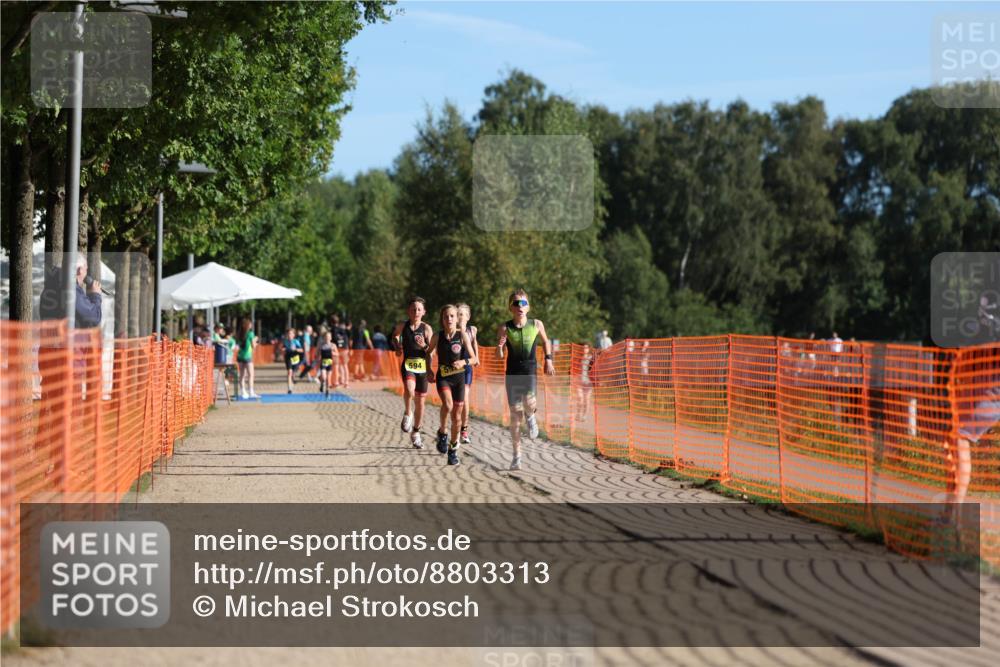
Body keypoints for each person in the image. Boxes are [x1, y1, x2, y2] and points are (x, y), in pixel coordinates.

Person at [497, 289, 556, 470]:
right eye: (516, 303)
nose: (520, 307)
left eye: (523, 303)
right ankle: (517, 456)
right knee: (515, 417)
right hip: (512, 373)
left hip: (529, 370)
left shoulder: (536, 324)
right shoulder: (504, 327)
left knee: (530, 403)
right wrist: (500, 347)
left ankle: (531, 416)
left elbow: (546, 341)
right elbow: (499, 355)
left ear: (528, 307)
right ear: (511, 308)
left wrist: (548, 360)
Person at [427, 305, 478, 466]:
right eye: (445, 317)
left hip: (459, 379)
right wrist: (428, 369)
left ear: (457, 319)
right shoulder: (437, 336)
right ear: (442, 320)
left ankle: (453, 449)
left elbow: (475, 359)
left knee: (457, 416)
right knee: (447, 405)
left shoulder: (462, 335)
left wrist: (463, 361)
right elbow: (429, 352)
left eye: (452, 316)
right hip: (444, 377)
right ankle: (442, 432)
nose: (448, 319)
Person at [392, 297, 433, 449]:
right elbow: (395, 336)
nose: (416, 312)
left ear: (424, 312)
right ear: (408, 311)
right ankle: (408, 413)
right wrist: (397, 346)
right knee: (409, 389)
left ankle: (416, 432)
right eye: (413, 309)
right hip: (409, 364)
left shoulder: (427, 329)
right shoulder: (403, 326)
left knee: (421, 403)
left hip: (422, 367)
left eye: (419, 309)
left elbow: (432, 351)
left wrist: (425, 347)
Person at [456, 303, 479, 445]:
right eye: (456, 314)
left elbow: (475, 342)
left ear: (468, 317)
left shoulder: (473, 330)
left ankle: (464, 430)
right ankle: (453, 428)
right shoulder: (452, 331)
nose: (459, 317)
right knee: (453, 402)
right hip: (454, 369)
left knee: (464, 397)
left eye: (462, 314)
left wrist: (477, 357)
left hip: (467, 368)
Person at [236, 317, 258, 400]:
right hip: (248, 356)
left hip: (240, 356)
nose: (251, 325)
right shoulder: (250, 333)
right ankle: (251, 392)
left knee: (242, 375)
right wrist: (256, 340)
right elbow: (253, 346)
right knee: (251, 375)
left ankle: (243, 391)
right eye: (250, 324)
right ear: (247, 325)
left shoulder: (239, 333)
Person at [575, 343, 594, 422]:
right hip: (579, 381)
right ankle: (578, 413)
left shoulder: (591, 358)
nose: (584, 349)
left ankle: (584, 415)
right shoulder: (578, 358)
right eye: (583, 348)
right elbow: (575, 369)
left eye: (586, 348)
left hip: (588, 382)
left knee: (586, 399)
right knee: (580, 398)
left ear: (588, 349)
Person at [330, 315, 350, 388]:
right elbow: (347, 338)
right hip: (344, 348)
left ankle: (336, 382)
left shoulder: (332, 330)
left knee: (336, 366)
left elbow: (332, 340)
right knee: (344, 365)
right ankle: (346, 382)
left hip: (336, 349)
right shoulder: (342, 329)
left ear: (331, 322)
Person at [282, 327, 304, 394]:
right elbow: (283, 348)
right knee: (289, 372)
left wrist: (296, 349)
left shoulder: (296, 341)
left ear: (293, 335)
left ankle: (293, 379)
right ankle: (289, 389)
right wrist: (283, 349)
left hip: (295, 357)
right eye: (288, 334)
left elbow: (301, 350)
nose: (289, 335)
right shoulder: (285, 341)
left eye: (291, 334)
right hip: (288, 357)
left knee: (293, 373)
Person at [317, 331, 336, 396]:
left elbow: (337, 353)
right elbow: (318, 353)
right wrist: (318, 358)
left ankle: (327, 391)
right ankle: (322, 384)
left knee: (328, 378)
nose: (327, 338)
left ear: (331, 338)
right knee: (324, 377)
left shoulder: (333, 345)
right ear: (324, 338)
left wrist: (333, 353)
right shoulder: (321, 345)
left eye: (328, 337)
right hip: (323, 363)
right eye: (326, 337)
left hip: (330, 363)